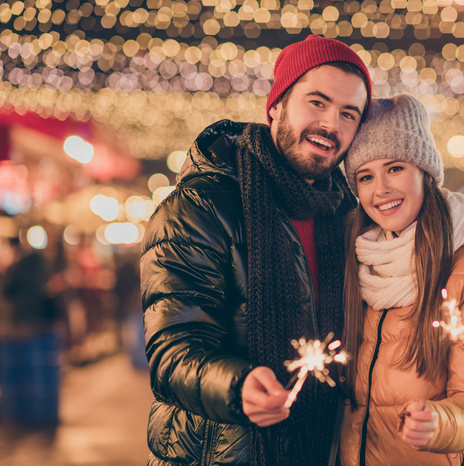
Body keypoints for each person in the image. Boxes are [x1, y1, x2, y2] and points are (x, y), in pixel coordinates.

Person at [140, 35, 371, 466]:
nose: (330, 124)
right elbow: (172, 352)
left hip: (319, 450)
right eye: (316, 103)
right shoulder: (201, 206)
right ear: (276, 106)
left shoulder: (348, 217)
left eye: (347, 113)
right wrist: (236, 386)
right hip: (219, 453)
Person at [339, 94, 464, 466]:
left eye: (395, 168)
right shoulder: (363, 261)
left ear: (424, 171)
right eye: (365, 176)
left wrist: (440, 423)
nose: (380, 190)